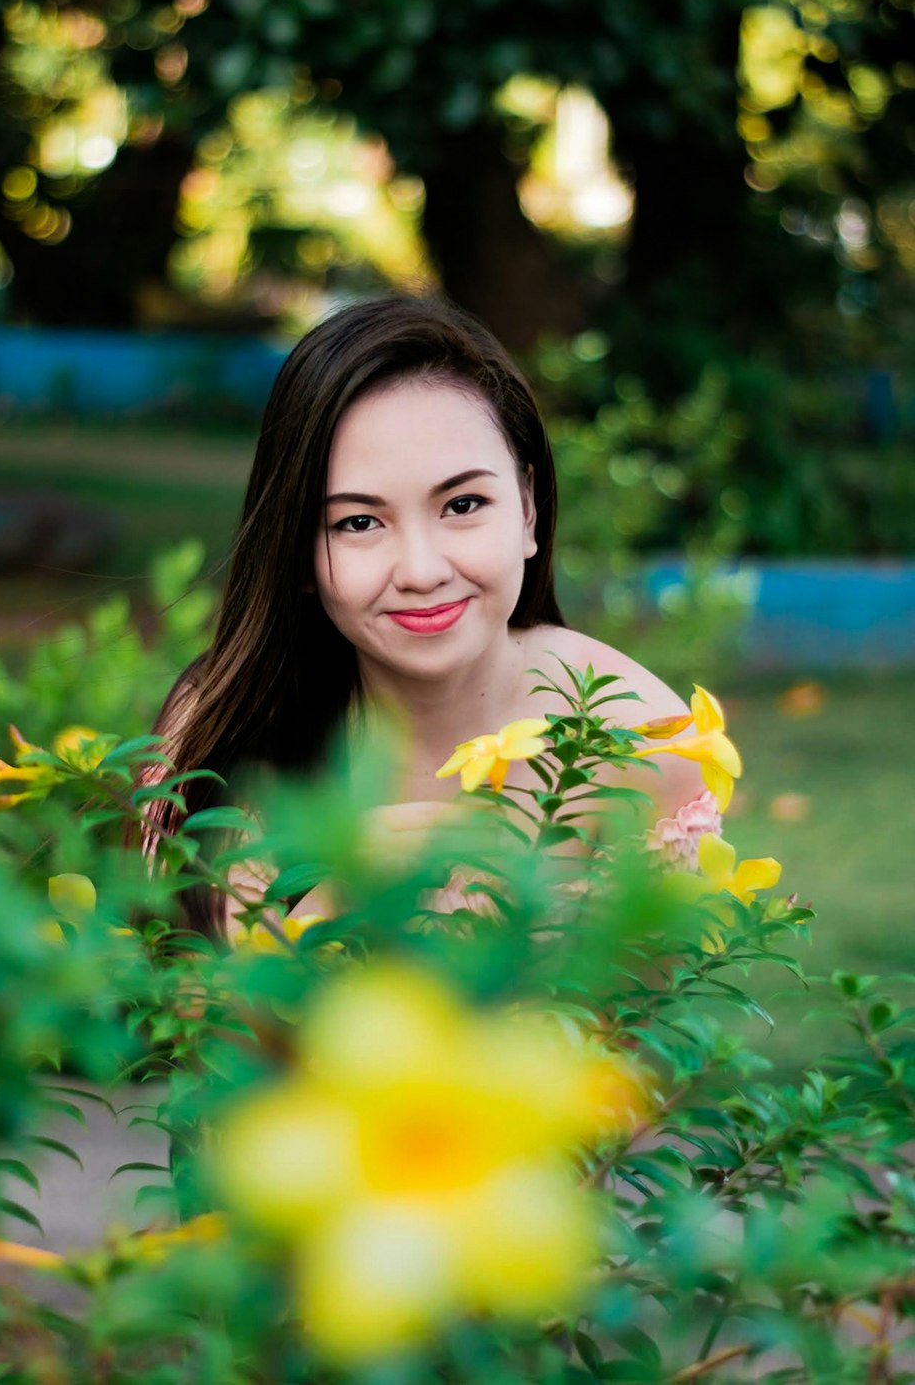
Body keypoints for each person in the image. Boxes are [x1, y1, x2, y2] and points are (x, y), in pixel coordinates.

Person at [147, 294, 719, 939]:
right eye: (358, 522)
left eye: (463, 503)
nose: (422, 570)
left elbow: (652, 1024)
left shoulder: (645, 745)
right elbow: (193, 1026)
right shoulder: (228, 723)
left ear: (527, 509)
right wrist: (334, 901)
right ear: (298, 552)